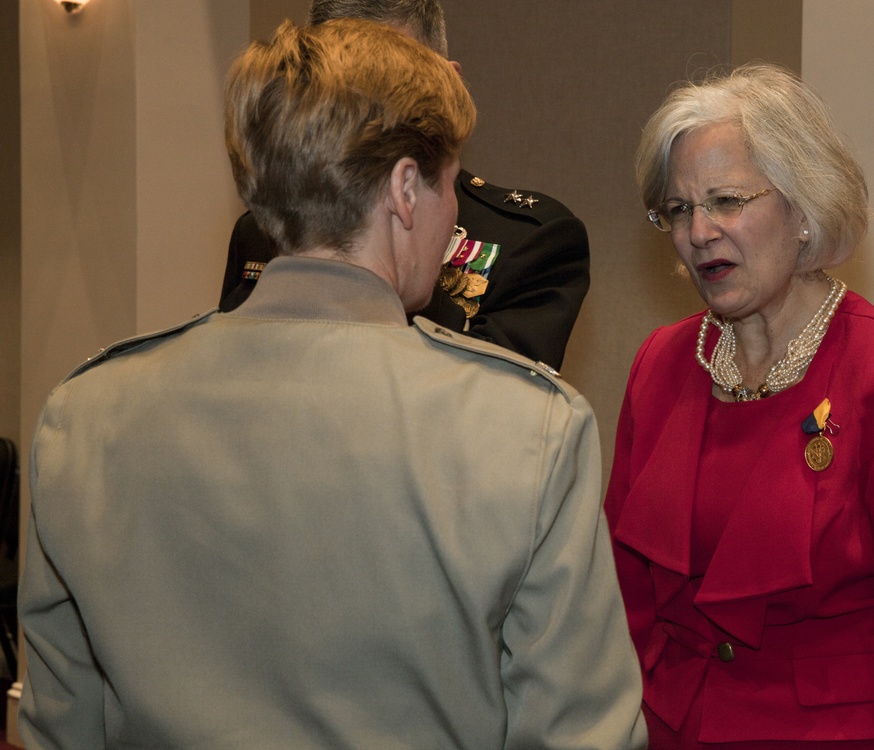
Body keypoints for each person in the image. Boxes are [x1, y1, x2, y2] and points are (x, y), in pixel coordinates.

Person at [19, 19, 646, 750]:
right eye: (449, 184)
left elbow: (61, 727)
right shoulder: (528, 429)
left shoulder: (84, 416)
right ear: (407, 189)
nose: (452, 217)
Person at [606, 63, 874, 749]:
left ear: (804, 209)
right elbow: (625, 607)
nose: (699, 232)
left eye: (726, 200)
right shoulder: (659, 366)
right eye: (680, 209)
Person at [218, 0, 590, 370]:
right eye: (333, 86)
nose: (358, 115)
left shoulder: (527, 238)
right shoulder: (262, 227)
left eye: (392, 80)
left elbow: (488, 407)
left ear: (451, 86)